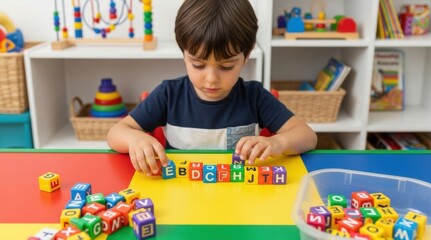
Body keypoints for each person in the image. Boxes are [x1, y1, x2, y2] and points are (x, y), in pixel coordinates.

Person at [107, 0, 317, 176]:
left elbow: (307, 136)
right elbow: (116, 133)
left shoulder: (255, 97)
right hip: (180, 198)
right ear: (184, 52)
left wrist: (278, 143)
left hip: (241, 200)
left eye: (226, 66)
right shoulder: (169, 94)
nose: (211, 79)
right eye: (198, 65)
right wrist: (136, 138)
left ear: (247, 54)